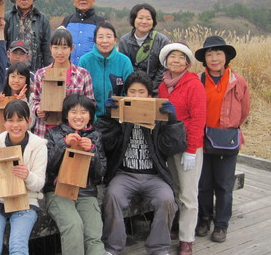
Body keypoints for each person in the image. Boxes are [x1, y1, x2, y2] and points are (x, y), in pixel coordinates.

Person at [102, 71, 185, 255]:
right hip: (124, 174)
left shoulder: (158, 114)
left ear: (149, 95)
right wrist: (108, 117)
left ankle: (159, 247)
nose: (137, 96)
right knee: (112, 196)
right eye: (132, 92)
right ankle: (113, 247)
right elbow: (106, 144)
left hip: (153, 175)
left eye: (142, 92)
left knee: (167, 199)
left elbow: (173, 147)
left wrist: (172, 122)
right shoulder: (120, 112)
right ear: (126, 94)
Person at [194, 36, 250, 243]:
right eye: (210, 54)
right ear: (205, 59)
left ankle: (221, 224)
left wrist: (228, 128)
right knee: (204, 183)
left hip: (227, 140)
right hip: (203, 139)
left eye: (218, 53)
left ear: (225, 57)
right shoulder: (198, 80)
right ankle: (204, 218)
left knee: (224, 185)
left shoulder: (238, 81)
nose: (214, 58)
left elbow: (244, 111)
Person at [0, 99, 47, 255]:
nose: (15, 125)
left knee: (17, 246)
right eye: (10, 120)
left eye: (20, 120)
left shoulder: (38, 146)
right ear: (4, 122)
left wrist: (28, 176)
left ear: (29, 121)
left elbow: (39, 184)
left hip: (26, 202)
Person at [158, 43, 206, 255]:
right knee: (176, 190)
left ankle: (187, 239)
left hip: (188, 146)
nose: (175, 61)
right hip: (170, 145)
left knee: (188, 194)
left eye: (180, 58)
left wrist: (191, 149)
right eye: (172, 57)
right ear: (166, 61)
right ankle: (178, 228)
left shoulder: (193, 84)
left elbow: (198, 119)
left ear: (187, 63)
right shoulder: (163, 85)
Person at [44, 94, 107, 255]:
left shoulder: (96, 136)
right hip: (58, 191)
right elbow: (48, 168)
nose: (79, 116)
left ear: (90, 115)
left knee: (93, 234)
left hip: (86, 192)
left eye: (84, 112)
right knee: (73, 226)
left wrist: (92, 150)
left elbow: (100, 174)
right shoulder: (54, 134)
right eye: (74, 111)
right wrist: (63, 144)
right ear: (66, 114)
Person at [32, 27, 95, 138]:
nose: (59, 52)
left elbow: (90, 104)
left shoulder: (83, 74)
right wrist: (38, 110)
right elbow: (36, 100)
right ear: (50, 48)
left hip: (73, 132)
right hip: (45, 130)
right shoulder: (41, 74)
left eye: (64, 47)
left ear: (72, 48)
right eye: (55, 47)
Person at [78, 22, 133, 118]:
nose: (105, 41)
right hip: (90, 118)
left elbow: (130, 91)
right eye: (100, 37)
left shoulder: (124, 61)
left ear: (115, 39)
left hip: (118, 118)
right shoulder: (85, 61)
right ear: (95, 40)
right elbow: (80, 93)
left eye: (108, 36)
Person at [0, 0, 52, 72]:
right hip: (11, 71)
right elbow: (0, 45)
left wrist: (49, 70)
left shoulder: (42, 19)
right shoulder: (6, 18)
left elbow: (47, 49)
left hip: (35, 69)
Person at [119, 3, 170, 95]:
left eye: (148, 19)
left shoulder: (162, 41)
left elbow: (163, 68)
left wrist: (149, 90)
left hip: (155, 92)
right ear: (133, 19)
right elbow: (125, 67)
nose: (144, 22)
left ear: (153, 21)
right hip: (132, 91)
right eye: (140, 18)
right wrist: (134, 90)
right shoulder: (124, 41)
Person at [61, 0, 105, 65]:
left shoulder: (101, 22)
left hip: (92, 71)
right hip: (69, 72)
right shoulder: (67, 21)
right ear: (74, 0)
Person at [0, 62, 34, 132]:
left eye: (21, 77)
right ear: (8, 78)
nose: (16, 81)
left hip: (22, 139)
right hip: (1, 138)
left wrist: (23, 100)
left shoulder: (31, 98)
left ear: (26, 80)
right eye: (13, 76)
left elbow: (30, 124)